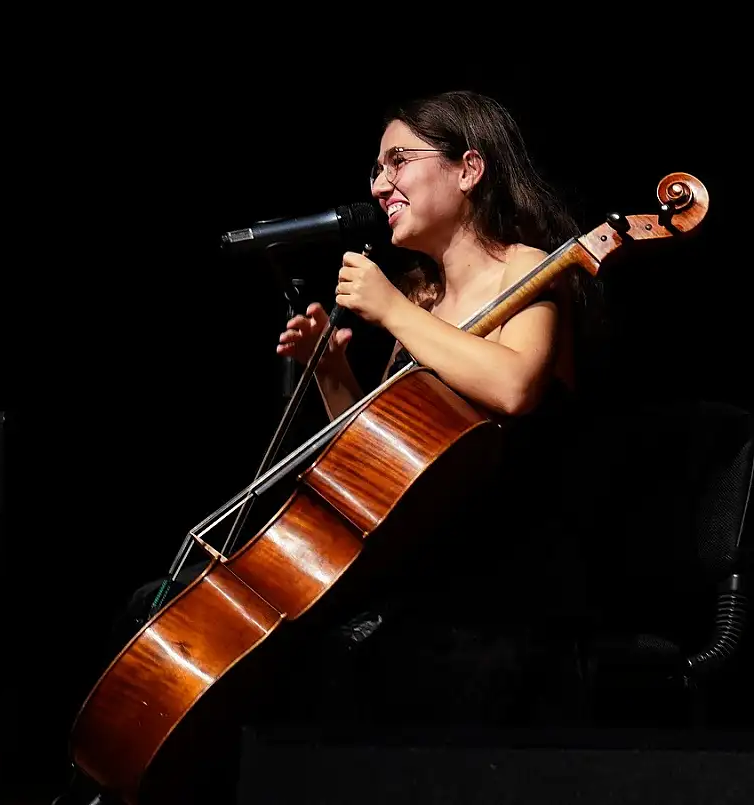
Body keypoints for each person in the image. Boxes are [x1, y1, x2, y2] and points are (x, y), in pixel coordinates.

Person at [53, 91, 598, 805]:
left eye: (398, 160)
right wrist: (335, 374)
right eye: (375, 168)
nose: (378, 185)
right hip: (416, 558)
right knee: (152, 604)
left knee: (298, 664)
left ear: (470, 168)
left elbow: (515, 387)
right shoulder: (423, 295)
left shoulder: (531, 269)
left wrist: (390, 309)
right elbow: (389, 454)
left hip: (494, 579)